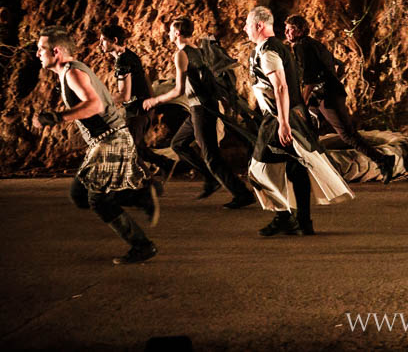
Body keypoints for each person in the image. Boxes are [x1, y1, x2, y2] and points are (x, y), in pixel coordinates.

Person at [33, 26, 159, 265]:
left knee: (98, 200)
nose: (38, 53)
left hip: (110, 138)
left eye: (41, 49)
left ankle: (142, 245)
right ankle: (140, 196)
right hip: (103, 140)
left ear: (56, 51)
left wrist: (58, 117)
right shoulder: (68, 72)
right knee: (79, 195)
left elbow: (95, 105)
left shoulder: (72, 72)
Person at [244, 6, 353, 236]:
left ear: (259, 25)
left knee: (257, 170)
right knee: (295, 167)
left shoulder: (269, 51)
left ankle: (284, 216)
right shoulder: (278, 47)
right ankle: (303, 222)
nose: (245, 29)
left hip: (279, 117)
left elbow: (281, 87)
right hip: (293, 114)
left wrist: (283, 123)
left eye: (247, 24)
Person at [143, 18, 256, 209]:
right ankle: (211, 178)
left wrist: (155, 100)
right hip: (201, 107)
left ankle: (242, 193)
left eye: (170, 30)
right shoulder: (197, 50)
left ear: (177, 33)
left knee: (211, 155)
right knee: (178, 144)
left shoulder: (181, 54)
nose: (168, 33)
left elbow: (178, 90)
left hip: (201, 109)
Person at [284, 15, 396, 183]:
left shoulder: (302, 46)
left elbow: (310, 78)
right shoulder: (313, 44)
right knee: (308, 131)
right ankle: (316, 172)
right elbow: (338, 64)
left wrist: (303, 101)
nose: (286, 32)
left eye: (290, 29)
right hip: (321, 95)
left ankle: (383, 160)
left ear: (300, 31)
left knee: (347, 134)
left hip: (327, 96)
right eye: (286, 28)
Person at [99, 24, 175, 175]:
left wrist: (100, 100)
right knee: (136, 147)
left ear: (114, 40)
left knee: (129, 148)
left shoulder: (122, 61)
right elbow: (144, 78)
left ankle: (149, 179)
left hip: (138, 110)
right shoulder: (129, 55)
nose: (100, 44)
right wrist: (151, 101)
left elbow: (124, 96)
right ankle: (167, 165)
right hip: (142, 108)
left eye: (103, 40)